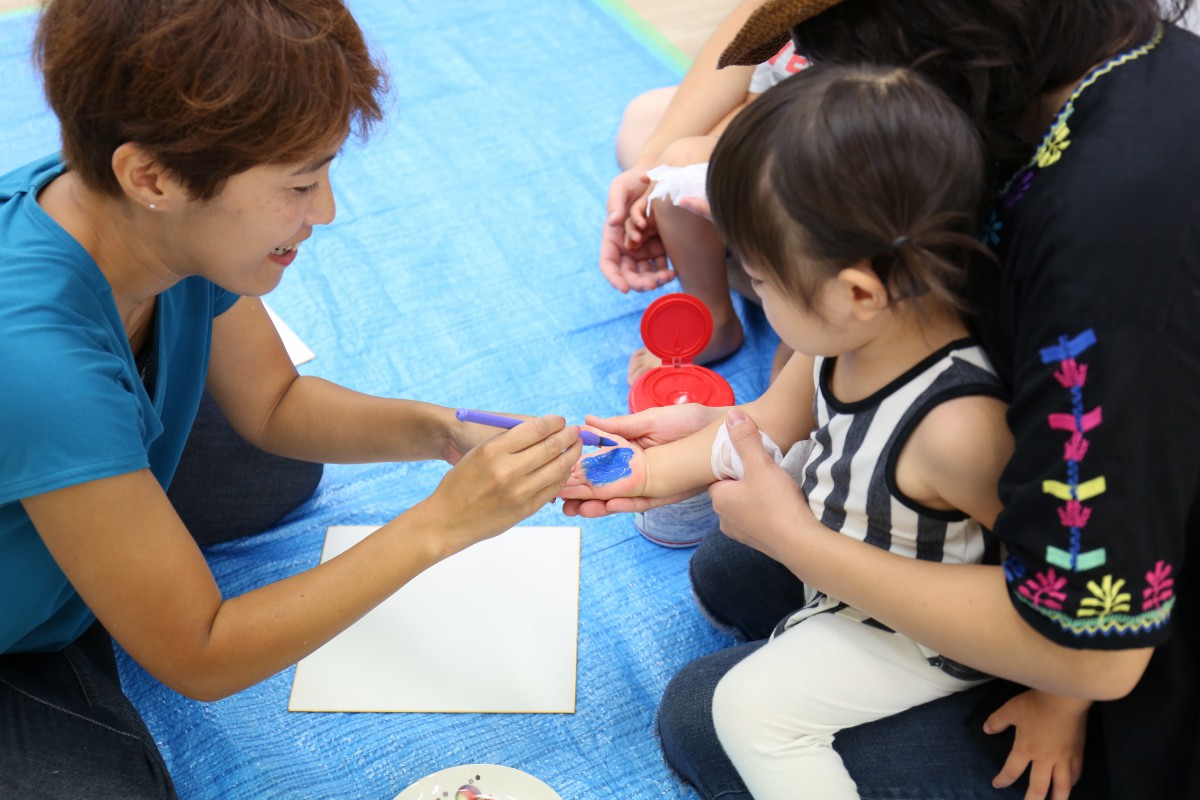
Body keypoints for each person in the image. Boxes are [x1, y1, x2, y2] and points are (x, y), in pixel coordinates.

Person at [566, 0, 1200, 798]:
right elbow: (788, 402)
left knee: (711, 713)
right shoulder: (949, 163)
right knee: (733, 567)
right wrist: (671, 461)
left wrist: (799, 541)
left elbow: (1087, 642)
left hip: (1108, 646)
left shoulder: (1100, 256)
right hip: (994, 544)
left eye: (757, 278)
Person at [0, 1, 582, 797]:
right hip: (20, 618)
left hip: (53, 425)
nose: (326, 212)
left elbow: (273, 403)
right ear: (153, 178)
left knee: (271, 470)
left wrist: (441, 431)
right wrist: (442, 523)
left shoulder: (143, 222)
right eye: (301, 183)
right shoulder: (39, 363)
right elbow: (201, 652)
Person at [602, 0, 807, 384]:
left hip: (831, 168)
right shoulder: (780, 26)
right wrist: (654, 172)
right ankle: (719, 309)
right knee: (649, 131)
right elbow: (752, 98)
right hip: (784, 133)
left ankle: (804, 304)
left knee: (682, 163)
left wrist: (682, 169)